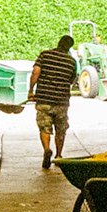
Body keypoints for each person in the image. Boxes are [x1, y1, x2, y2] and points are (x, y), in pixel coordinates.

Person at [29, 34, 78, 170]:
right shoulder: (71, 61)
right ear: (69, 47)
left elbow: (35, 73)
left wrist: (31, 91)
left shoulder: (45, 55)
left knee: (44, 127)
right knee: (60, 129)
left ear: (58, 43)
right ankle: (58, 155)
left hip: (44, 98)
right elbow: (72, 80)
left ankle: (46, 149)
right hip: (62, 100)